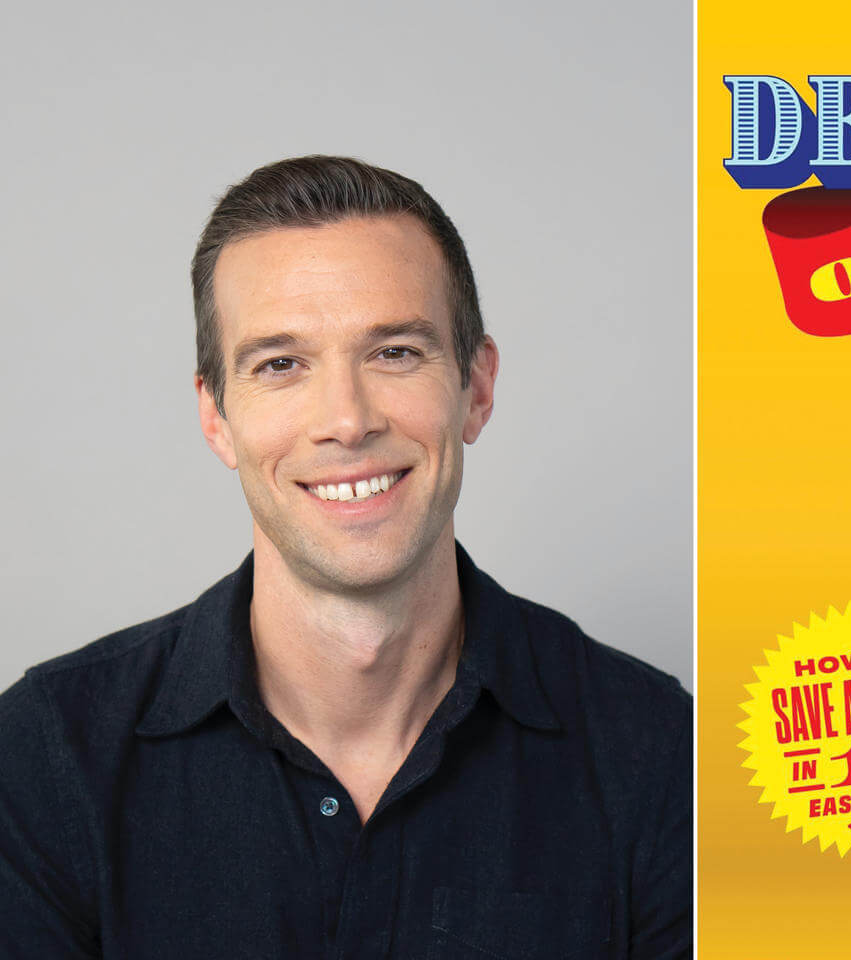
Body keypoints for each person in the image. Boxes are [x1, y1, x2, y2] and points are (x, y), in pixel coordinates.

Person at [0, 156, 691, 957]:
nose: (346, 420)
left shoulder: (656, 752)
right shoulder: (46, 758)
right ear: (217, 418)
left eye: (395, 352)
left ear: (477, 386)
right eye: (280, 365)